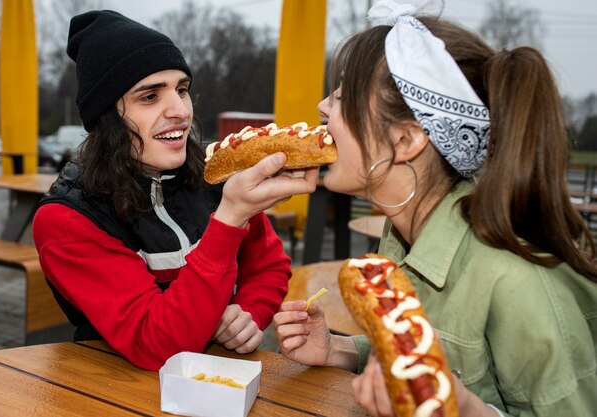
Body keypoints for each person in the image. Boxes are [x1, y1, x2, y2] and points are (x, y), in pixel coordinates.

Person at [273, 1, 597, 416]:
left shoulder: (519, 280)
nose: (322, 106)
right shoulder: (402, 234)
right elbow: (428, 349)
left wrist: (462, 408)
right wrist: (338, 348)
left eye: (342, 97)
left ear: (407, 140)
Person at [32, 10, 318, 371]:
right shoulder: (68, 218)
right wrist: (229, 219)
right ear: (106, 118)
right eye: (149, 97)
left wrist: (249, 312)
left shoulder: (214, 174)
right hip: (111, 389)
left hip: (217, 382)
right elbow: (158, 346)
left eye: (182, 89)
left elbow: (269, 266)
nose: (180, 110)